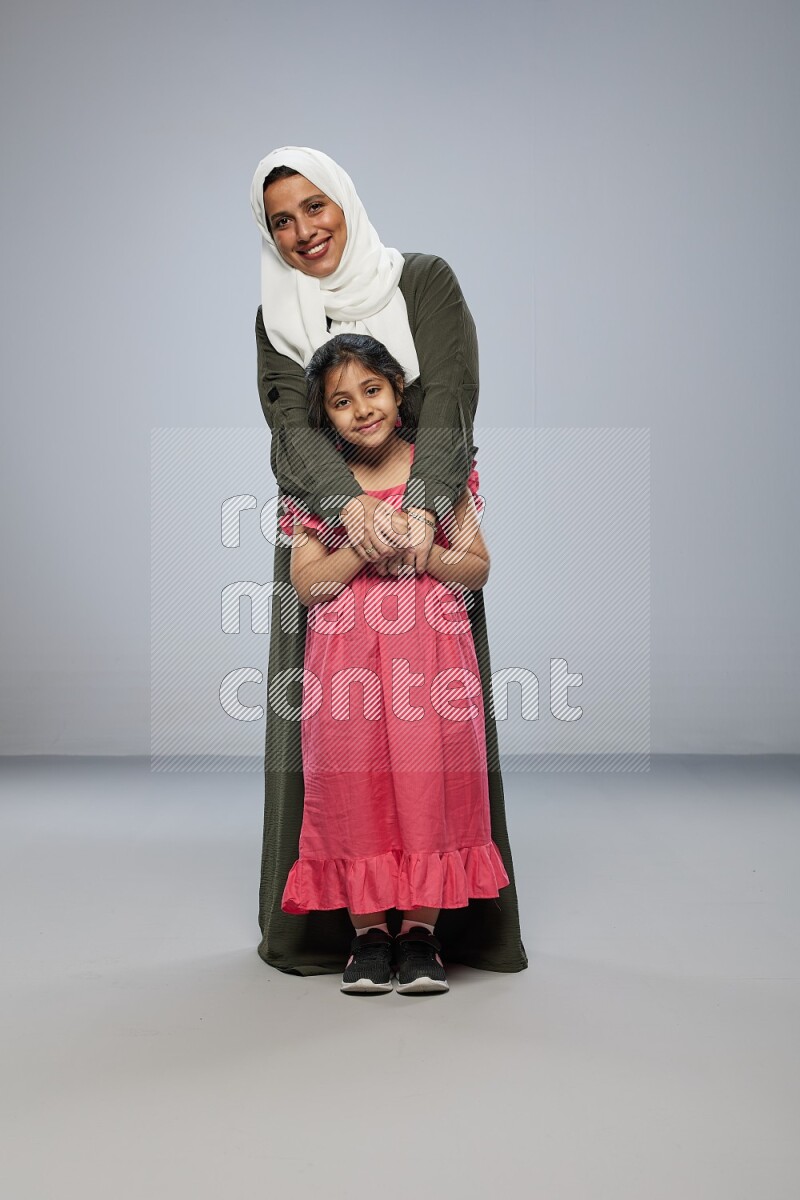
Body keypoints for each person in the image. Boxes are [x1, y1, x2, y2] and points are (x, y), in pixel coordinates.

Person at [250, 145, 528, 978]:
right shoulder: (274, 312)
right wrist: (347, 511)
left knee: (429, 748)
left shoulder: (423, 281)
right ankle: (346, 931)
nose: (303, 231)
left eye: (314, 206)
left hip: (423, 527)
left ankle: (437, 929)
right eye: (281, 222)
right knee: (338, 748)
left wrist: (418, 509)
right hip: (332, 536)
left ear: (345, 200)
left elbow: (448, 397)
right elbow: (291, 429)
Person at [278, 333, 511, 994]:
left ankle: (419, 934)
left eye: (372, 390)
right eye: (342, 402)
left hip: (430, 659)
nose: (362, 409)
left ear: (398, 390)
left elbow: (479, 567)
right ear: (327, 417)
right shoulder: (322, 486)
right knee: (354, 785)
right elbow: (307, 583)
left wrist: (424, 547)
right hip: (346, 663)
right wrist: (358, 545)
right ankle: (368, 937)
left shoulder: (436, 469)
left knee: (426, 780)